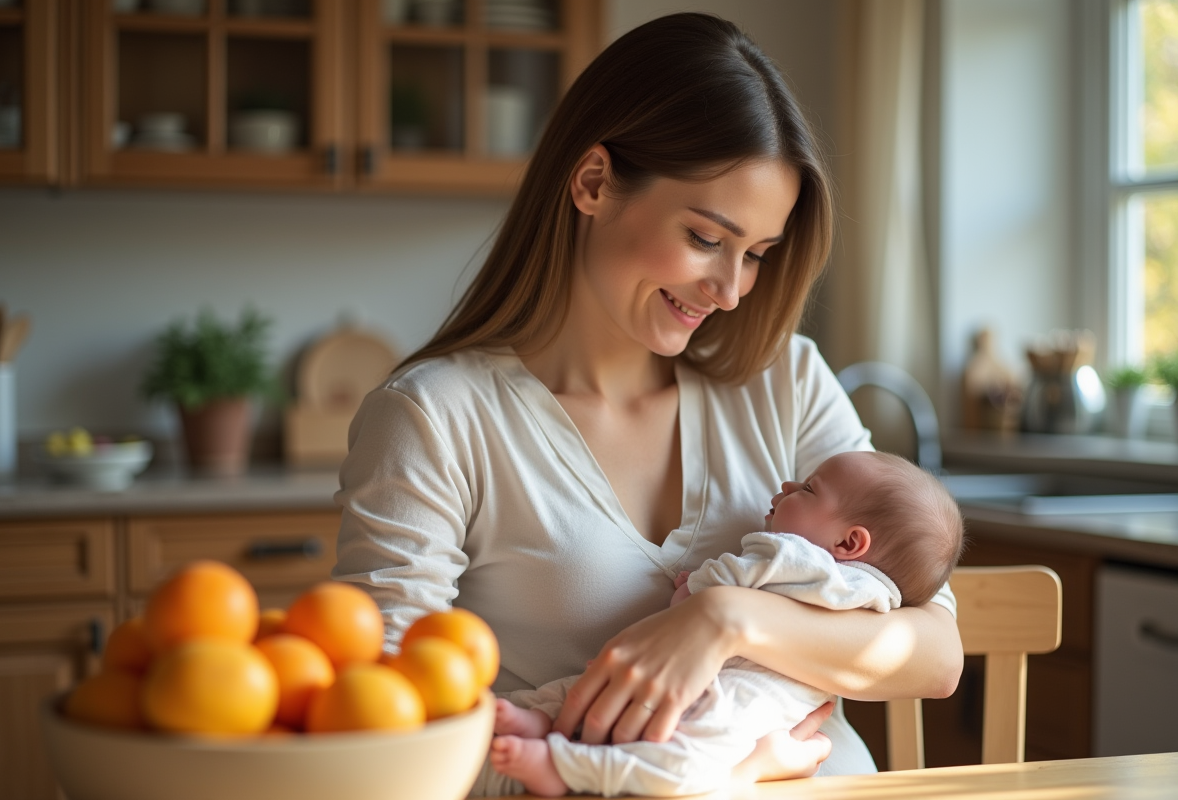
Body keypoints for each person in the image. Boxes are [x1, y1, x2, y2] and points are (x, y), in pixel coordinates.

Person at [333, 12, 963, 796]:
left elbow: (936, 654)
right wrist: (722, 777)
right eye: (706, 238)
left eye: (757, 256)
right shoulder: (435, 419)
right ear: (593, 182)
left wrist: (723, 620)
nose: (731, 290)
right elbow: (390, 744)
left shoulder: (785, 381)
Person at [486, 451, 966, 797]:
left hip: (727, 688)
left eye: (808, 488)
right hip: (770, 710)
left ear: (849, 543)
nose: (786, 487)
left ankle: (550, 736)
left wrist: (693, 590)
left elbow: (718, 586)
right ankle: (562, 759)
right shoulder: (881, 598)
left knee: (600, 694)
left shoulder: (787, 554)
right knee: (685, 755)